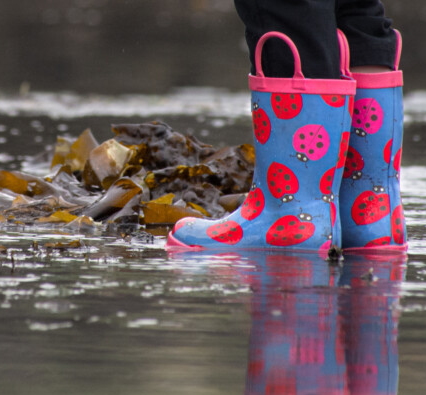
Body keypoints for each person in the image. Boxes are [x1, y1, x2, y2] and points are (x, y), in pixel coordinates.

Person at [167, 0, 407, 253]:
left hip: (289, 229)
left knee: (290, 12)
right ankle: (371, 220)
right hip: (381, 223)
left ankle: (290, 218)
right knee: (352, 9)